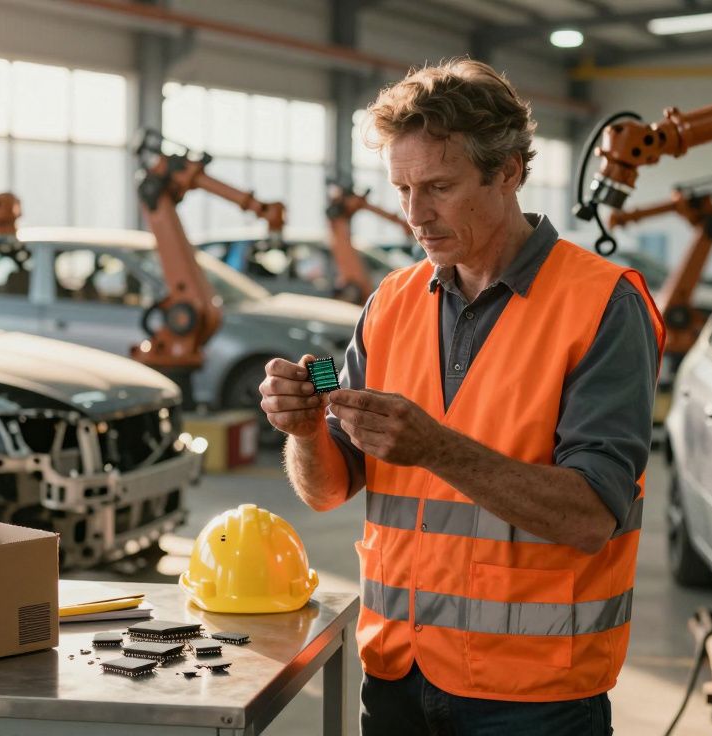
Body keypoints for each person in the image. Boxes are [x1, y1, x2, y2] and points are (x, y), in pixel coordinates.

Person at [259, 59, 664, 735]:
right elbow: (328, 490)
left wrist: (437, 449)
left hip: (534, 696)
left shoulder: (601, 304)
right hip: (396, 674)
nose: (416, 215)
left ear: (507, 172)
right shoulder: (391, 302)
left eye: (439, 187)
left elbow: (591, 515)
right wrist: (303, 431)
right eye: (402, 189)